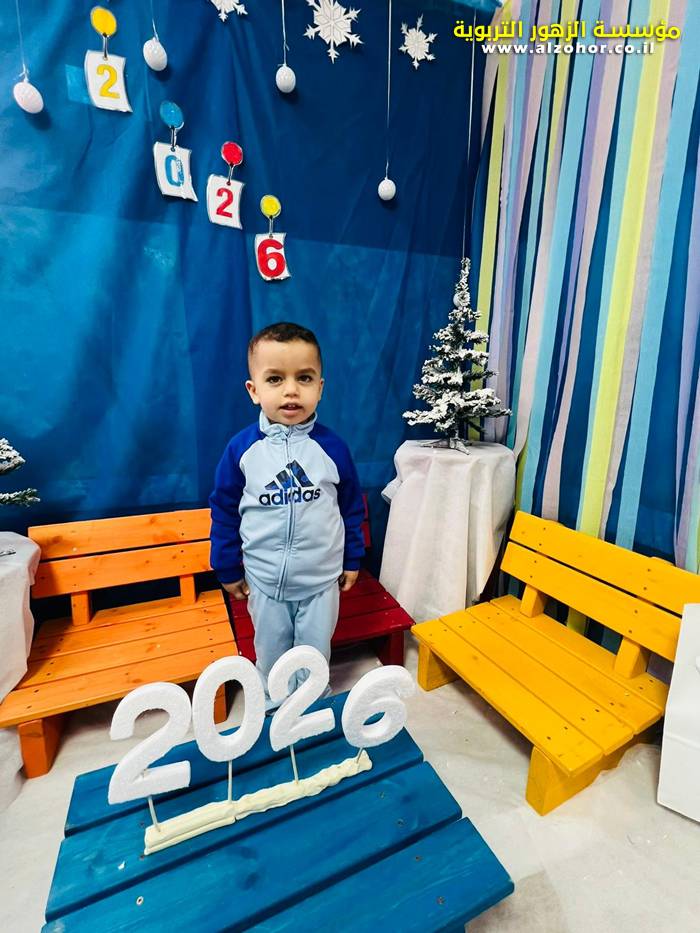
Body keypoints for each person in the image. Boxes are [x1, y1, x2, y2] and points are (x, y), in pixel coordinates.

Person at [209, 321, 365, 705]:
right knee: (271, 651)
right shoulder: (242, 450)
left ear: (320, 388)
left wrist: (352, 558)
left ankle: (312, 704)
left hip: (321, 581)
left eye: (304, 378)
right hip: (264, 581)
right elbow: (225, 511)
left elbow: (350, 508)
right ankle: (272, 706)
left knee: (314, 652)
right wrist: (226, 566)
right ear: (254, 390)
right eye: (275, 379)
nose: (291, 390)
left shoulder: (333, 449)